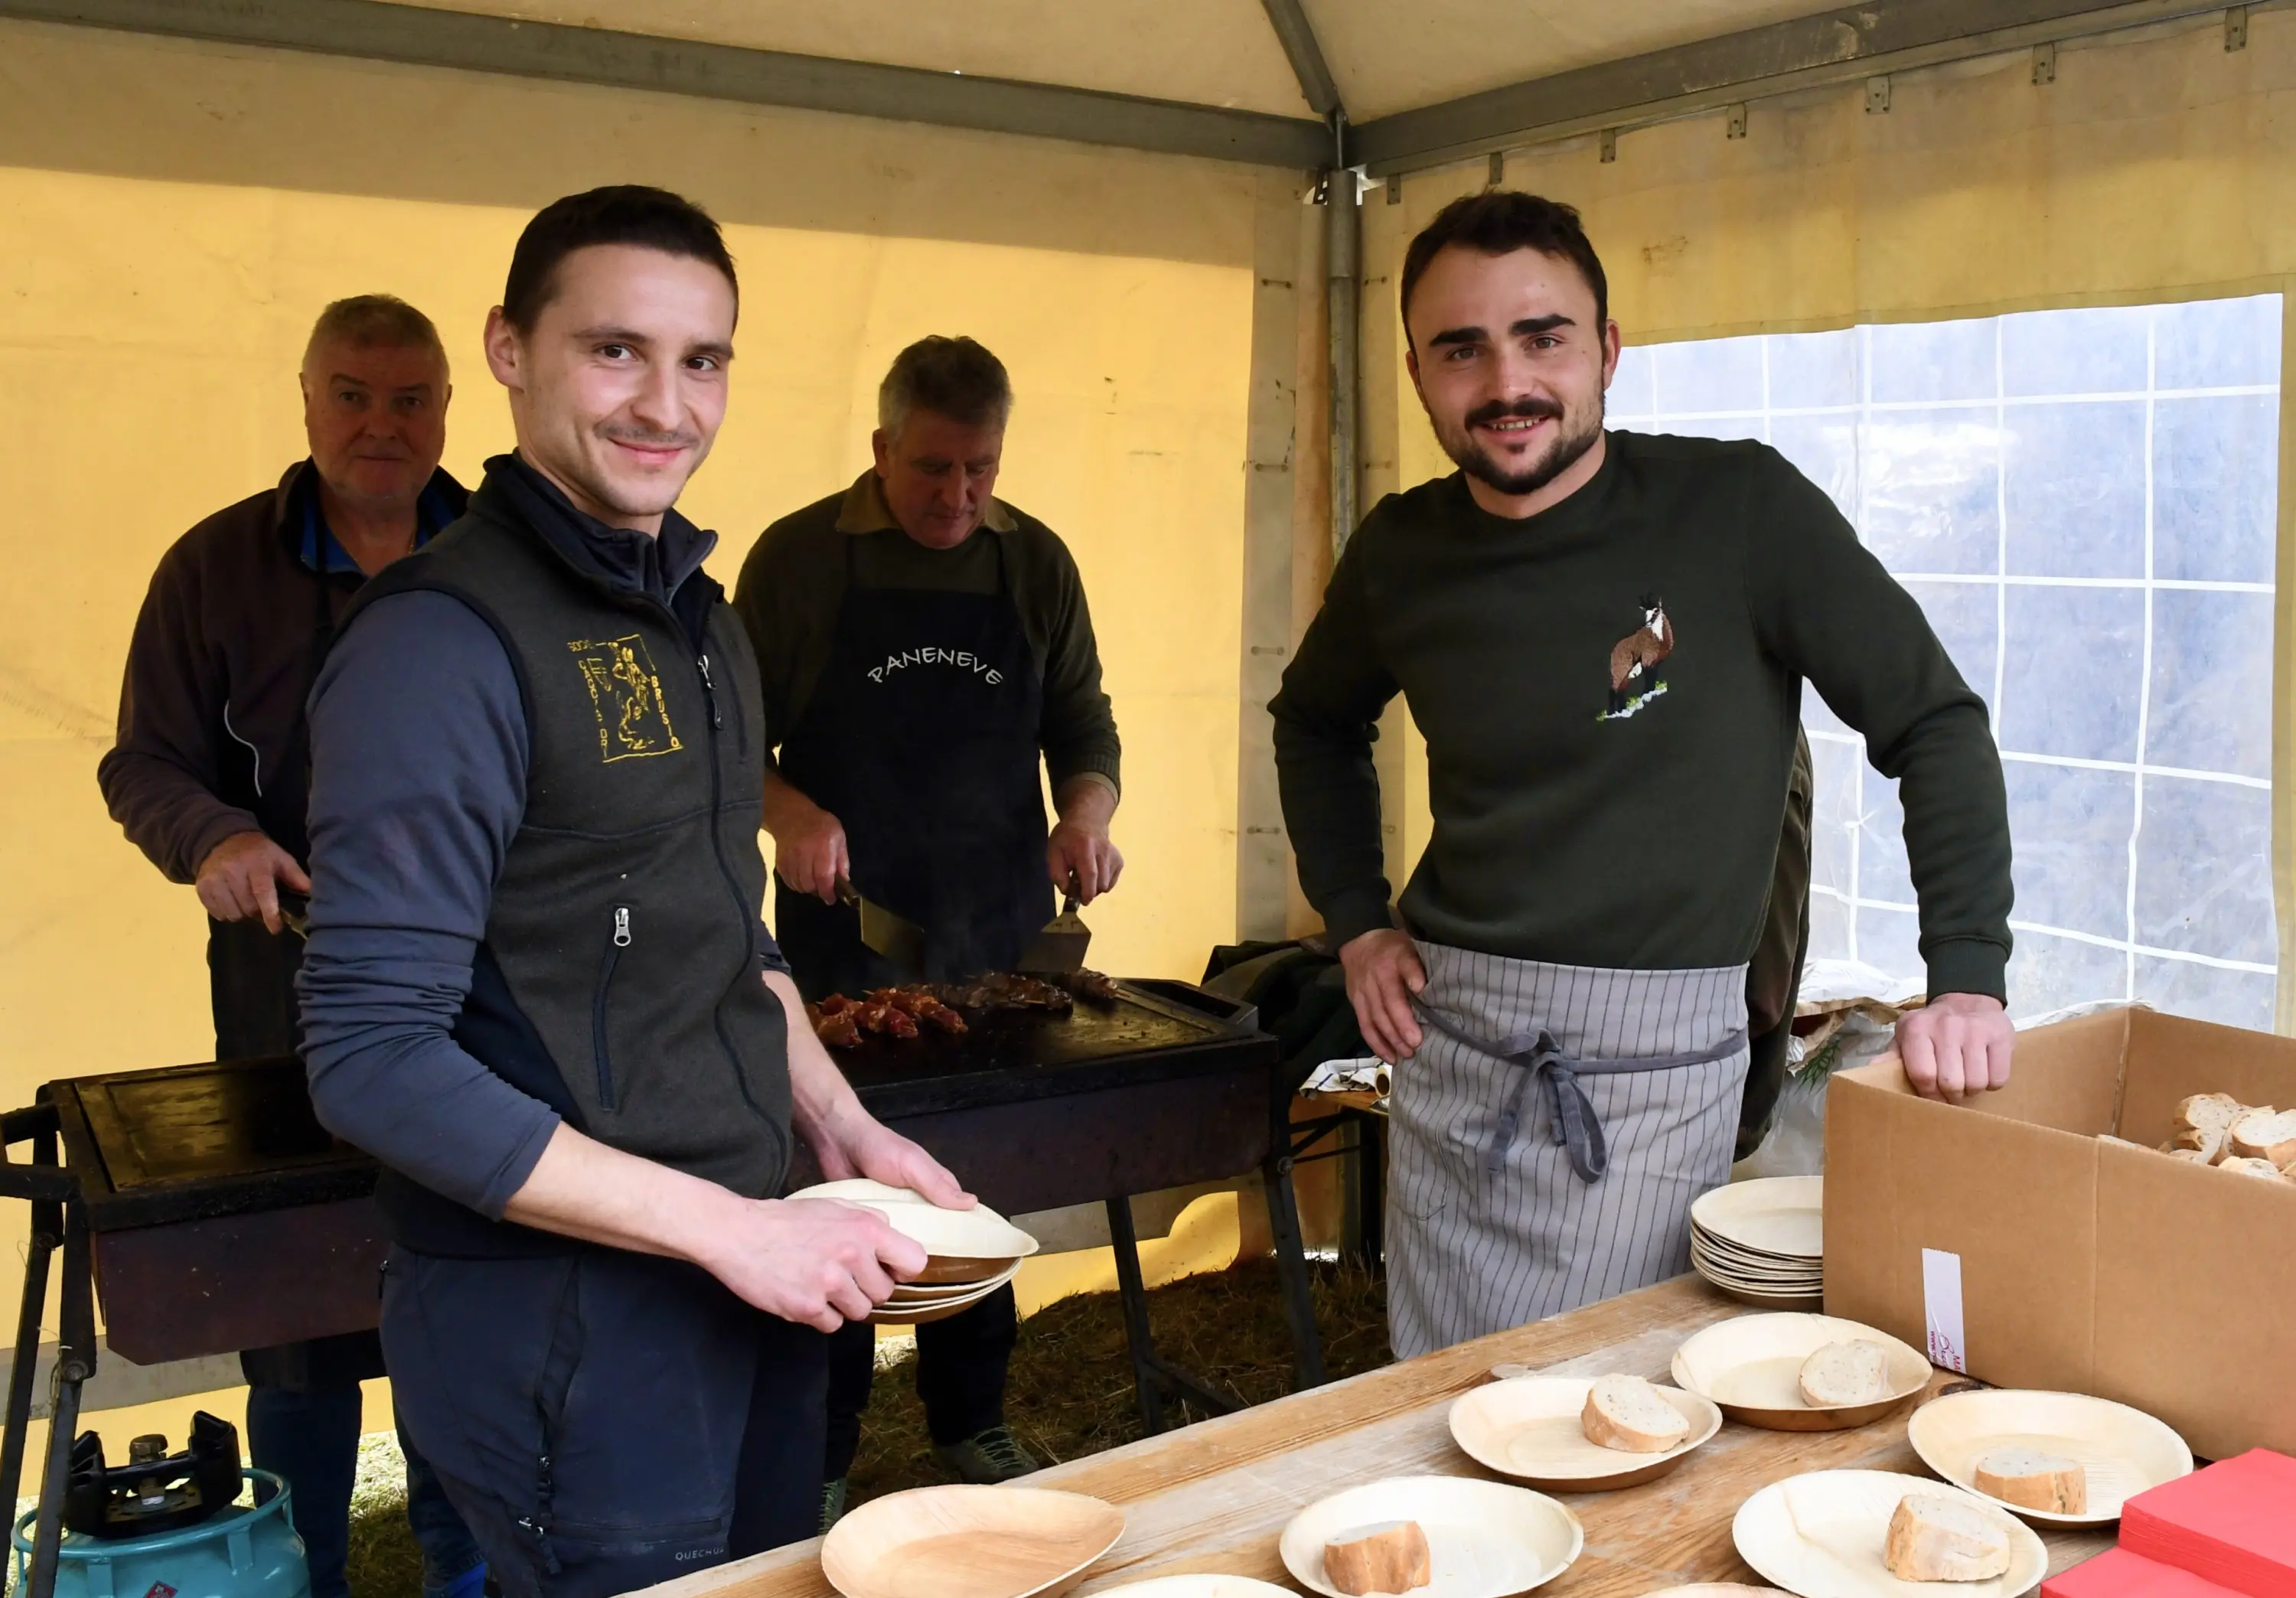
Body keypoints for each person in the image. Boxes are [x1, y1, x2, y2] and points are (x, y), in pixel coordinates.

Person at [293, 186, 968, 1598]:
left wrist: (842, 1125)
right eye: (616, 351)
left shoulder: (702, 618)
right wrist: (735, 1233)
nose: (667, 404)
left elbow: (732, 941)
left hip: (752, 1276)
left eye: (703, 359)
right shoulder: (439, 645)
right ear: (509, 349)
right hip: (570, 1322)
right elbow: (372, 1059)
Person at [1270, 191, 2016, 1360]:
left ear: (1609, 351)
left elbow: (1934, 719)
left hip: (1659, 1071)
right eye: (1462, 348)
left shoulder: (1741, 511)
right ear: (1416, 370)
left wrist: (1967, 973)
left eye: (1544, 337)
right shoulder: (1401, 549)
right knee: (1431, 1410)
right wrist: (1360, 924)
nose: (1507, 381)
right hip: (1450, 1053)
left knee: (1615, 1418)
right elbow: (1312, 722)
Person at [96, 295, 488, 1598]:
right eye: (354, 395)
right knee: (300, 1303)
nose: (384, 424)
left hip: (491, 991)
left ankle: (466, 1568)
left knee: (469, 1277)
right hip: (287, 991)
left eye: (411, 398)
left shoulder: (506, 553)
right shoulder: (216, 567)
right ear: (306, 399)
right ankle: (303, 1567)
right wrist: (212, 838)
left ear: (451, 405)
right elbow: (142, 758)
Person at [733, 335, 1122, 1519]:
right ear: (881, 450)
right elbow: (725, 748)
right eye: (934, 469)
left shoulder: (1032, 563)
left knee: (974, 1190)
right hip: (842, 946)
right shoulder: (801, 562)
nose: (958, 497)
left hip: (995, 942)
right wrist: (788, 810)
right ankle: (825, 1446)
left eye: (981, 470)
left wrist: (1086, 816)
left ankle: (974, 1420)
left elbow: (1084, 723)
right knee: (836, 1189)